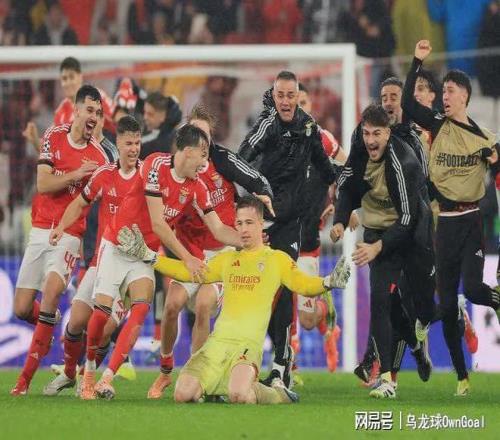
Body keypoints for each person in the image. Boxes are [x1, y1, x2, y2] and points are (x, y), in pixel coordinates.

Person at [117, 196, 351, 404]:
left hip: (247, 347)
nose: (244, 229)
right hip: (217, 344)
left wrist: (328, 281)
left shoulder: (277, 260)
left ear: (261, 224)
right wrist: (148, 256)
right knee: (182, 394)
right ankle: (215, 388)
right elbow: (187, 272)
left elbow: (303, 284)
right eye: (239, 224)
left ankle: (277, 394)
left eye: (249, 223)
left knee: (239, 395)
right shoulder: (227, 259)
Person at [79, 124, 243, 400]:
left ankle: (107, 379)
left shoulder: (197, 187)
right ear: (188, 151)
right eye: (202, 155)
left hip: (144, 253)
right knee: (102, 316)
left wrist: (247, 240)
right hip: (118, 244)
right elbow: (158, 222)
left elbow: (218, 229)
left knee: (141, 311)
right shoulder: (156, 165)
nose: (205, 163)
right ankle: (88, 372)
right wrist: (188, 258)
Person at [147, 105, 274, 399]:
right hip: (190, 249)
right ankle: (165, 369)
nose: (202, 144)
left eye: (205, 136)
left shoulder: (221, 162)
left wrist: (250, 234)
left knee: (204, 305)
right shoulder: (171, 171)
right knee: (171, 306)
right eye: (195, 135)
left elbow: (249, 182)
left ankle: (198, 378)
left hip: (219, 252)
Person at [402, 40, 500, 396]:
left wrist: (495, 162)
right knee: (445, 305)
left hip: (471, 220)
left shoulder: (485, 138)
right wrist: (416, 62)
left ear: (465, 97)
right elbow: (408, 104)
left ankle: (495, 298)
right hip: (443, 223)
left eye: (451, 91)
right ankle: (462, 377)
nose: (444, 96)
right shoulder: (437, 124)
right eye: (443, 91)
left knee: (472, 290)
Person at [239, 71, 339, 387]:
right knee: (259, 292)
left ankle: (281, 366)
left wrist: (340, 197)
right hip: (263, 221)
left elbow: (326, 167)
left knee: (282, 290)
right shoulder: (267, 124)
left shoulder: (309, 127)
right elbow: (241, 158)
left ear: (298, 97)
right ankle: (252, 358)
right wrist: (253, 194)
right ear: (275, 96)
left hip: (291, 223)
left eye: (290, 95)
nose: (285, 101)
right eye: (280, 95)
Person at [331, 104, 435, 399]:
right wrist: (339, 220)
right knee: (381, 301)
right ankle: (388, 379)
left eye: (376, 133)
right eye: (366, 133)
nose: (370, 140)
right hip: (378, 232)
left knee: (425, 309)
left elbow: (407, 218)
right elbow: (347, 188)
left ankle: (420, 341)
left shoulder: (403, 162)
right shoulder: (359, 148)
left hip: (412, 233)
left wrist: (377, 247)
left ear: (388, 134)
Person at [11, 85, 109, 396]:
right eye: (89, 110)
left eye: (98, 113)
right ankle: (47, 324)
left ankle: (23, 382)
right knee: (21, 309)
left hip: (70, 235)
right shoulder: (53, 136)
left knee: (52, 292)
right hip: (40, 229)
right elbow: (43, 184)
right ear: (76, 110)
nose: (93, 117)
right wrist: (76, 174)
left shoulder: (99, 157)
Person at [42, 115, 142, 396]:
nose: (134, 149)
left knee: (106, 327)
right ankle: (69, 374)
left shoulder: (148, 178)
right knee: (75, 322)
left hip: (130, 270)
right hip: (101, 262)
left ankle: (90, 378)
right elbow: (79, 203)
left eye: (137, 143)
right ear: (117, 144)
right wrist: (61, 227)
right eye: (128, 143)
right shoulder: (104, 174)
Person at [291, 83, 349, 376]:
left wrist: (337, 203)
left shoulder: (323, 139)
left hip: (307, 241)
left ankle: (326, 315)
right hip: (279, 238)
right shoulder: (275, 139)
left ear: (310, 105)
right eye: (294, 103)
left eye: (303, 102)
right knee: (276, 303)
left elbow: (348, 168)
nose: (298, 108)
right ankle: (287, 366)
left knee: (307, 320)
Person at [23, 57, 114, 151]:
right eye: (64, 79)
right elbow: (51, 150)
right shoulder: (61, 112)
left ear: (80, 77)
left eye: (71, 77)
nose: (68, 83)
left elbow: (119, 120)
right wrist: (35, 141)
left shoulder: (96, 96)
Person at [140, 91, 182, 159]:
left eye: (150, 114)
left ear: (163, 116)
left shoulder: (162, 142)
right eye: (145, 112)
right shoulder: (154, 128)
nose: (145, 117)